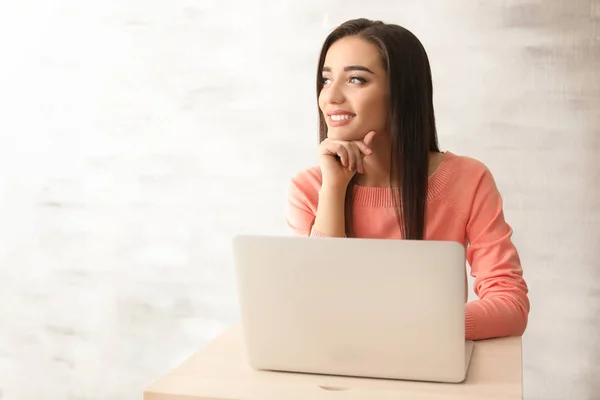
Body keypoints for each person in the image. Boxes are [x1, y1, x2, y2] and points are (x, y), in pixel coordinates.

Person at [284, 18, 530, 341]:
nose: (331, 97)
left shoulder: (469, 181)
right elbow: (312, 308)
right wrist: (333, 188)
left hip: (429, 370)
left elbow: (510, 303)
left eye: (356, 79)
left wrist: (418, 328)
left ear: (401, 93)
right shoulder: (308, 189)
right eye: (326, 80)